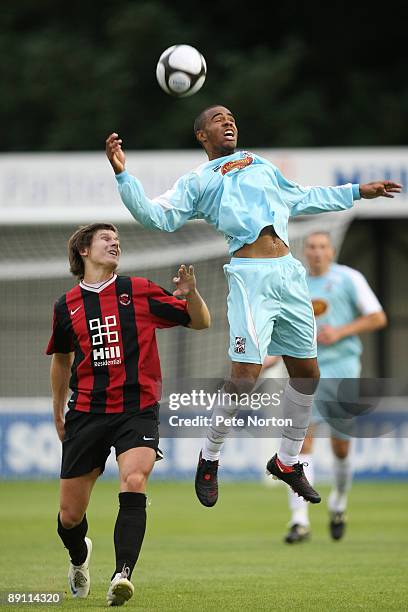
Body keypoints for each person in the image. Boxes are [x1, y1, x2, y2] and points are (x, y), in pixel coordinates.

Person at [105, 105, 401, 509]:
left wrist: (355, 192)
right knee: (244, 377)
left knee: (307, 374)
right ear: (201, 136)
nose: (227, 121)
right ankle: (209, 458)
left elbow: (301, 196)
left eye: (230, 116)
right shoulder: (198, 180)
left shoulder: (258, 163)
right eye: (216, 118)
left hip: (289, 273)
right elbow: (157, 217)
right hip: (250, 276)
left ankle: (287, 461)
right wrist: (124, 176)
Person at [46, 223, 210, 606]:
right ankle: (79, 556)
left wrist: (193, 294)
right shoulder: (66, 305)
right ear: (84, 251)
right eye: (105, 238)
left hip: (138, 407)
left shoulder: (138, 290)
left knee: (134, 478)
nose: (114, 242)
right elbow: (61, 360)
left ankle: (123, 573)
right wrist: (57, 410)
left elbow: (201, 321)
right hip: (86, 411)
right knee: (69, 517)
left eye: (117, 238)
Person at [283, 231, 387, 543]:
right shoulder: (295, 281)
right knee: (302, 443)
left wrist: (340, 332)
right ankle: (299, 520)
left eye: (322, 247)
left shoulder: (349, 278)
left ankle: (339, 502)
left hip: (342, 369)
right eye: (312, 247)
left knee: (341, 447)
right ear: (305, 251)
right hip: (306, 368)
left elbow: (377, 317)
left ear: (332, 251)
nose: (317, 253)